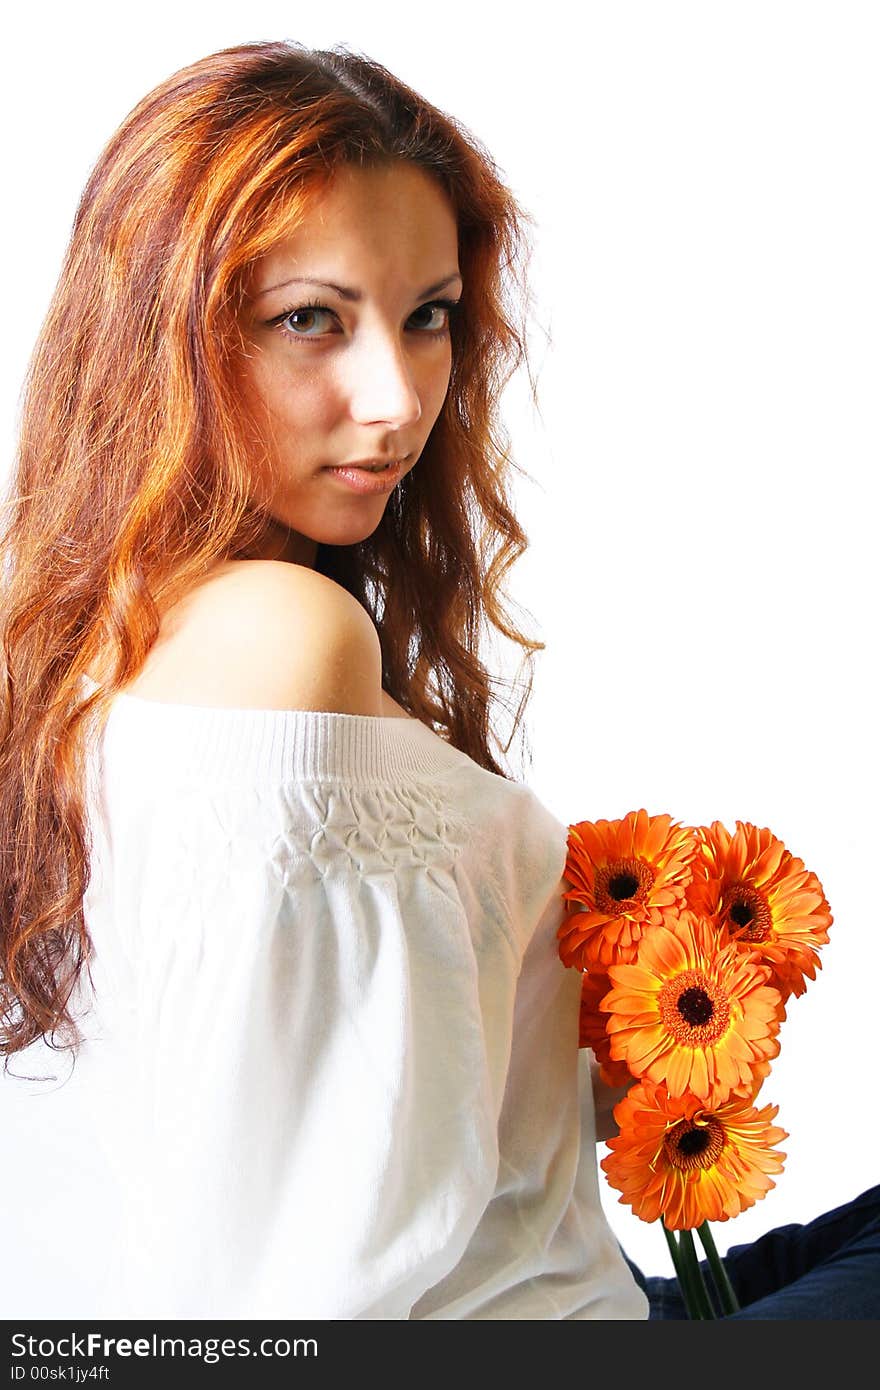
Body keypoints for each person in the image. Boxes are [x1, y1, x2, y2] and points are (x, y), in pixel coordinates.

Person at [0, 39, 875, 1323]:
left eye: (428, 316)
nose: (397, 397)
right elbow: (288, 1267)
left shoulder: (79, 631)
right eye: (311, 318)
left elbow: (287, 1105)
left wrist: (612, 1026)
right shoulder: (284, 633)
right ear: (161, 335)